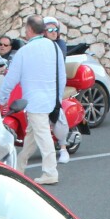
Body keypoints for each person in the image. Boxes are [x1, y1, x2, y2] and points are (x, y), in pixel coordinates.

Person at [0, 14, 66, 185]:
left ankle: (50, 172)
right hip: (50, 99)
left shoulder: (24, 51)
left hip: (35, 101)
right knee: (31, 135)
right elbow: (61, 75)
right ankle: (19, 166)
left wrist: (2, 98)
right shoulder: (54, 47)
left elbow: (11, 78)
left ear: (28, 30)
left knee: (43, 136)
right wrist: (58, 98)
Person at [42, 15, 72, 164]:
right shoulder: (39, 45)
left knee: (57, 115)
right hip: (42, 86)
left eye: (55, 29)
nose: (53, 32)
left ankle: (64, 148)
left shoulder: (59, 45)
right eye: (50, 29)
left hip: (55, 85)